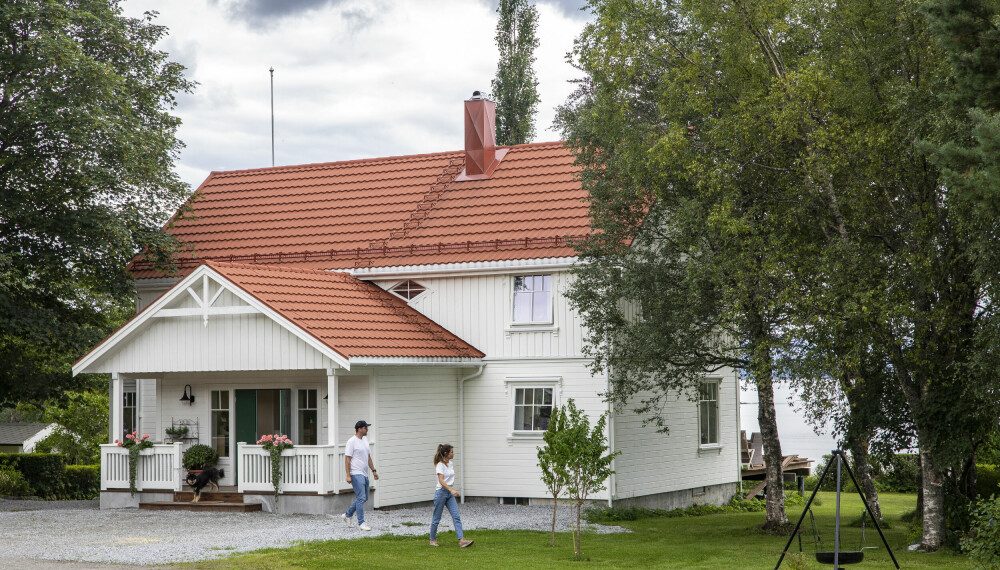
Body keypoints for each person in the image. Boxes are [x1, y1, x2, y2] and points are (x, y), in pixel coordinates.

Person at [429, 443, 473, 547]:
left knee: (456, 516)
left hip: (449, 493)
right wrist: (451, 490)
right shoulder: (440, 465)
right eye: (452, 452)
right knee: (436, 518)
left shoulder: (451, 463)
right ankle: (432, 540)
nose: (453, 454)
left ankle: (462, 540)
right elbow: (441, 481)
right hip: (441, 493)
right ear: (446, 453)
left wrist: (451, 491)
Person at [341, 420, 378, 531]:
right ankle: (361, 523)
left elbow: (368, 457)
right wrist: (348, 475)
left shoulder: (365, 440)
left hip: (365, 473)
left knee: (364, 497)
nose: (367, 430)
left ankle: (347, 515)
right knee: (361, 497)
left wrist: (374, 470)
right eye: (365, 428)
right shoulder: (351, 441)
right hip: (356, 473)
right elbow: (347, 459)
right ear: (359, 429)